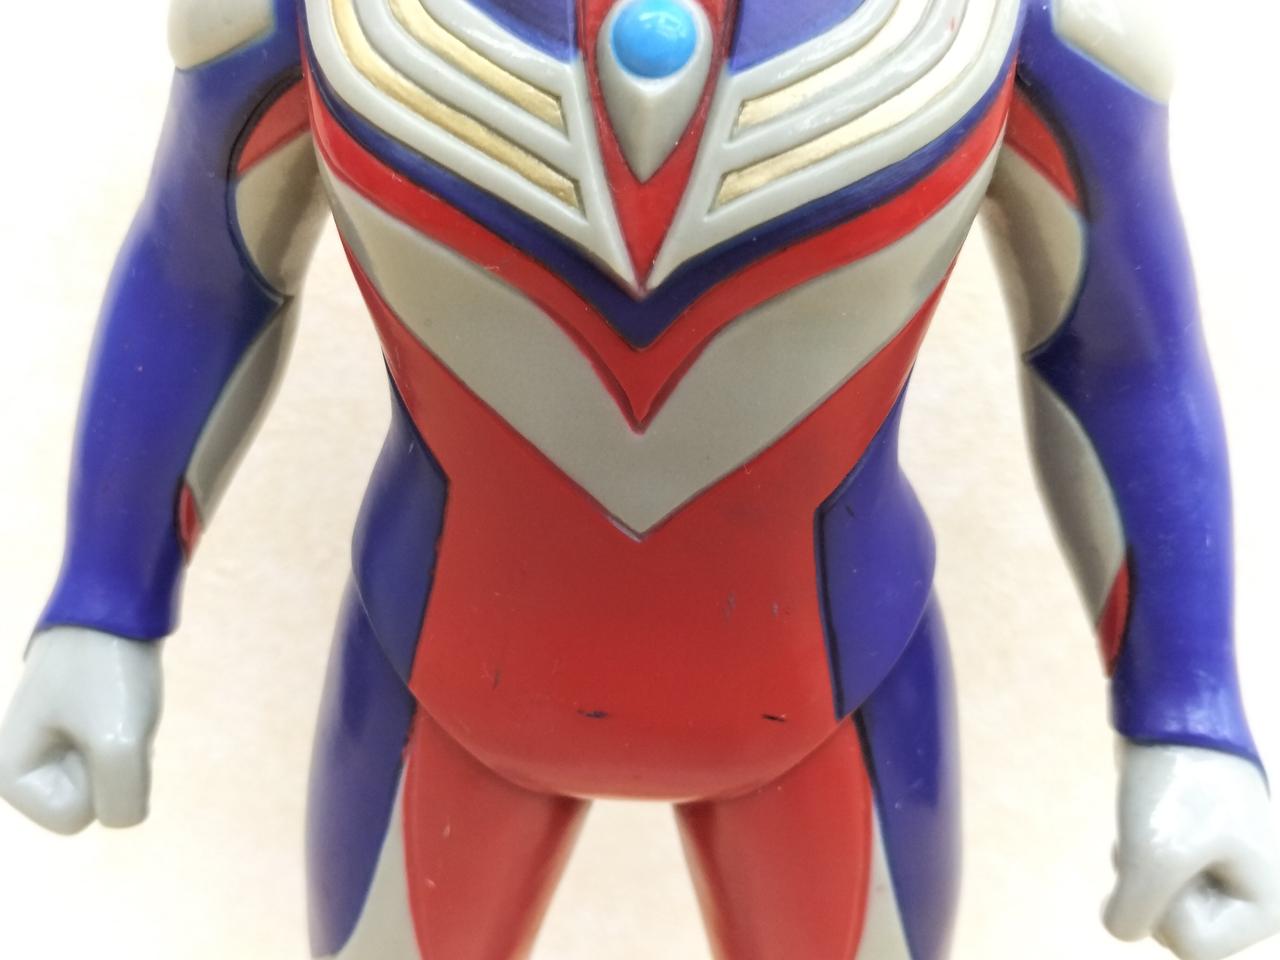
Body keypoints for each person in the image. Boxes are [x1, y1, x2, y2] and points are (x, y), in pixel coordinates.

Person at [3, 0, 1277, 957]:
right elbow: (201, 277)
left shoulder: (1032, 29)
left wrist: (1187, 717)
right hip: (443, 682)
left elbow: (1122, 359)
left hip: (828, 696)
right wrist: (102, 604)